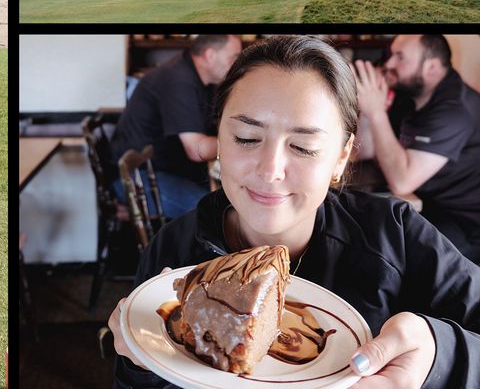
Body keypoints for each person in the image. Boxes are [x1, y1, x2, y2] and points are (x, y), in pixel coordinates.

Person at [110, 35, 480, 389]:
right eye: (246, 138)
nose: (270, 169)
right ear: (219, 140)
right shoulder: (172, 254)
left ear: (340, 157)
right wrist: (137, 362)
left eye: (303, 147)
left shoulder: (395, 235)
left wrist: (438, 355)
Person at [354, 34, 480, 263]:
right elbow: (366, 150)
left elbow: (402, 181)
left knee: (391, 258)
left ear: (431, 67)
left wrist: (376, 111)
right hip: (427, 204)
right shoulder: (410, 95)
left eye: (400, 57)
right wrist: (367, 107)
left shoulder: (455, 110)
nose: (389, 63)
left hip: (465, 223)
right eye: (392, 54)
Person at [111, 34, 242, 218]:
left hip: (164, 170)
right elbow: (196, 150)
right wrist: (243, 143)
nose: (237, 63)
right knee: (215, 212)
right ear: (210, 55)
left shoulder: (202, 80)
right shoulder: (179, 80)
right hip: (138, 179)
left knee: (229, 199)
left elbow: (216, 126)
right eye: (234, 56)